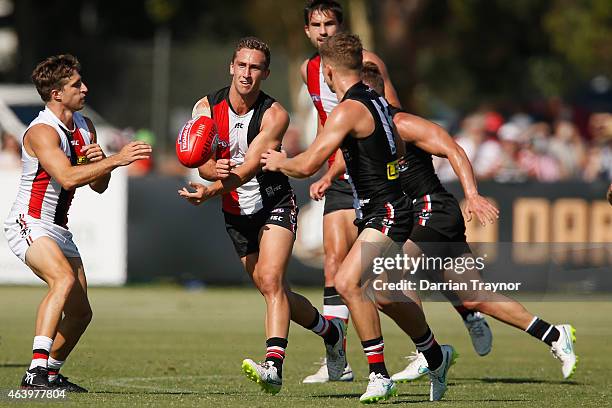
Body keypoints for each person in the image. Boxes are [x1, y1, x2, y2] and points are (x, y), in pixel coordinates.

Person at [262, 33, 455, 403]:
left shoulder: (348, 109)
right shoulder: (377, 100)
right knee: (381, 295)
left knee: (349, 282)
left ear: (330, 73)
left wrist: (278, 161)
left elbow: (306, 164)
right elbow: (396, 145)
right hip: (386, 207)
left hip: (386, 211)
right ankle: (435, 354)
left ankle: (379, 375)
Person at [358, 65, 577, 382]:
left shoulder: (400, 122)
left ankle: (428, 352)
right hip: (415, 215)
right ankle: (555, 335)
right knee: (476, 297)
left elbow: (453, 148)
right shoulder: (363, 131)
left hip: (433, 208)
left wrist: (472, 194)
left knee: (387, 281)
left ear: (371, 95)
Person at [178, 37, 346, 396]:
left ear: (265, 73)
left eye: (255, 67)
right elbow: (200, 162)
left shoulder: (275, 115)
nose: (247, 73)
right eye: (242, 65)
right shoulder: (205, 107)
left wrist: (211, 188)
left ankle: (274, 365)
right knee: (275, 291)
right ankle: (332, 333)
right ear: (231, 67)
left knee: (271, 280)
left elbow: (252, 165)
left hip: (274, 200)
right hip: (235, 210)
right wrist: (210, 171)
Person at [3, 54, 152, 391]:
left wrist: (105, 165)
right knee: (62, 280)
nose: (85, 88)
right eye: (76, 84)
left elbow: (97, 186)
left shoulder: (85, 126)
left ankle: (49, 374)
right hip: (30, 221)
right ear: (56, 93)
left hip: (58, 229)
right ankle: (35, 370)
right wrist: (117, 158)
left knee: (82, 313)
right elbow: (68, 178)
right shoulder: (42, 131)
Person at [300, 0, 402, 383]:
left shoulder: (366, 62)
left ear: (341, 28)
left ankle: (436, 340)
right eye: (316, 24)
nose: (323, 30)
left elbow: (392, 115)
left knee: (383, 283)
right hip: (339, 175)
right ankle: (337, 360)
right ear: (307, 31)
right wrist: (324, 163)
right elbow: (324, 124)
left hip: (372, 175)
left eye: (330, 24)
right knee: (333, 264)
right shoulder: (308, 70)